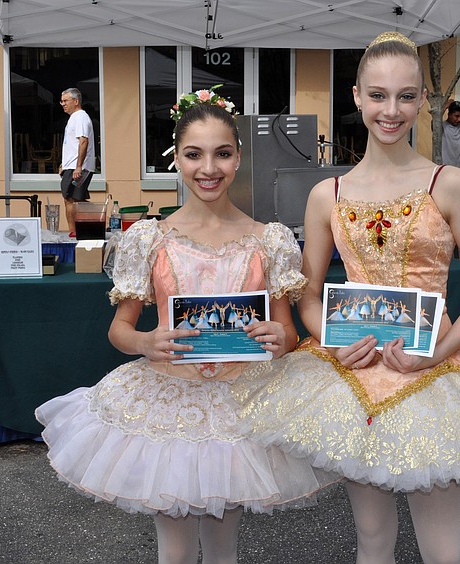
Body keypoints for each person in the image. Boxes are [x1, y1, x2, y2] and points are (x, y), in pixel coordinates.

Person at [233, 32, 460, 563]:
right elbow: (307, 296)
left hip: (434, 374)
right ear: (356, 96)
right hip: (356, 379)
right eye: (378, 95)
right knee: (372, 541)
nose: (391, 109)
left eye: (406, 95)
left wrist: (441, 350)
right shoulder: (326, 195)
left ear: (423, 100)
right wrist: (331, 343)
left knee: (442, 549)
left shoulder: (448, 184)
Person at [36, 99, 335, 564]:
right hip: (170, 400)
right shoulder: (150, 238)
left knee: (223, 548)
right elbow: (121, 328)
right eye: (194, 154)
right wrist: (144, 342)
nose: (208, 168)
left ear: (238, 156)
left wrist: (280, 339)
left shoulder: (269, 239)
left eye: (222, 153)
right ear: (176, 158)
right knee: (173, 552)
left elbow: (289, 333)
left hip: (242, 403)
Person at [58, 88, 95, 237]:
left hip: (78, 167)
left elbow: (83, 141)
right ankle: (95, 220)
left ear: (76, 101)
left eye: (66, 101)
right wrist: (64, 165)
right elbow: (72, 145)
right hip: (72, 165)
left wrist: (78, 166)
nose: (63, 104)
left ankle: (74, 232)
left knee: (69, 198)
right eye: (62, 101)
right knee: (76, 199)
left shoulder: (80, 117)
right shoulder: (74, 118)